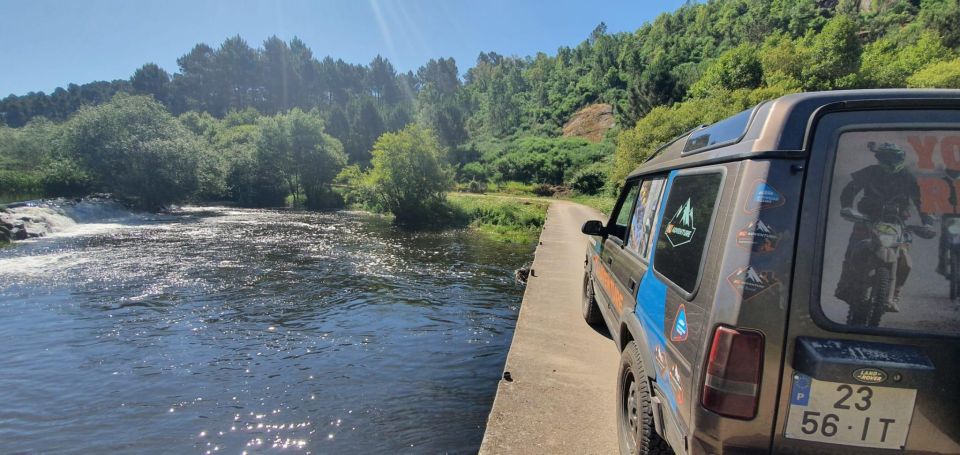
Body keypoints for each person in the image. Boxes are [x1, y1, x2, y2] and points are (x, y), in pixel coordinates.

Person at [834, 142, 936, 313]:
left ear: (901, 158)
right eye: (885, 157)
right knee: (853, 250)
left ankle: (895, 293)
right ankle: (844, 286)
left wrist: (928, 223)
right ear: (879, 158)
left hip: (897, 224)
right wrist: (847, 207)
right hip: (867, 220)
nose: (890, 161)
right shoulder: (870, 172)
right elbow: (849, 189)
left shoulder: (908, 177)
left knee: (904, 259)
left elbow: (922, 202)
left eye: (894, 157)